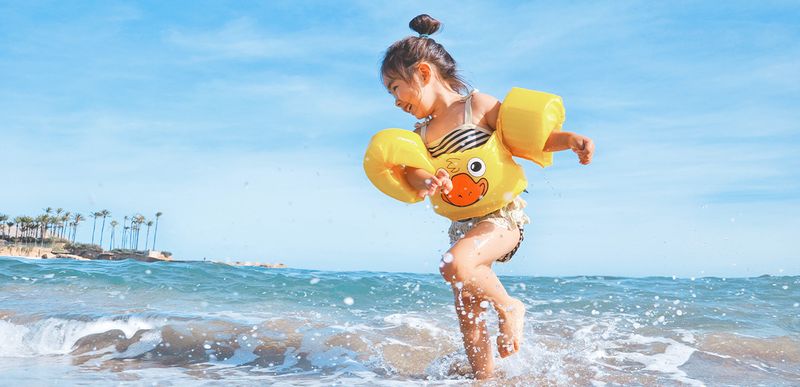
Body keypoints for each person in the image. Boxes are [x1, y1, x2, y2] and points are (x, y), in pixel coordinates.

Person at [379, 14, 594, 379]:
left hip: (502, 218)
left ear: (424, 74)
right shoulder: (421, 132)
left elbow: (528, 138)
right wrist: (428, 180)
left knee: (454, 265)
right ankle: (484, 379)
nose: (395, 101)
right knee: (468, 310)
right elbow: (413, 172)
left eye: (395, 88)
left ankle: (510, 308)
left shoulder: (476, 106)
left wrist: (569, 139)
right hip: (461, 226)